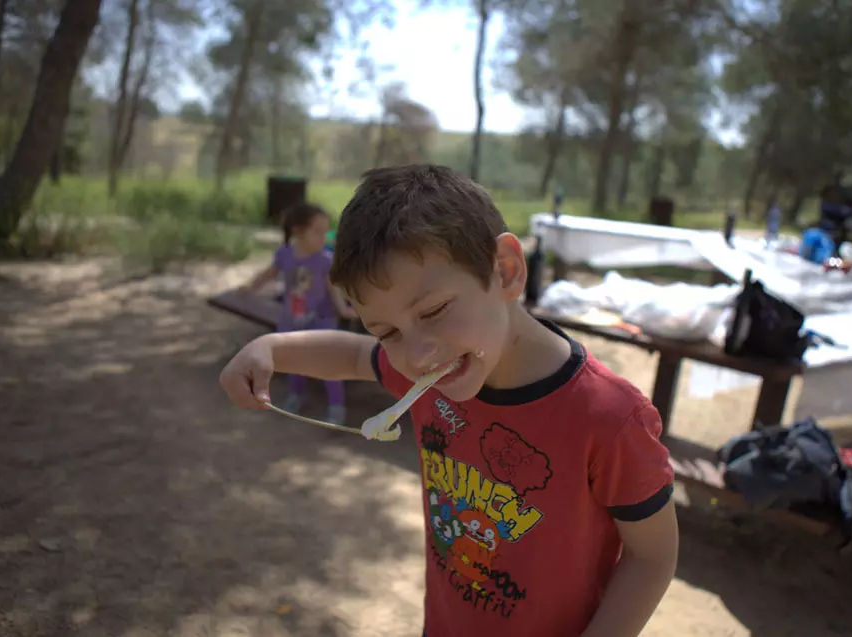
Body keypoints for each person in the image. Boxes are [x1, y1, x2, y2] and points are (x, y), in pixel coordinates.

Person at [221, 165, 678, 637]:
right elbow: (356, 354)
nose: (418, 355)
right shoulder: (432, 379)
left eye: (434, 311)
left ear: (505, 269)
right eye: (390, 332)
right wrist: (270, 349)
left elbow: (651, 556)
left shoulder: (609, 418)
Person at [240, 201, 356, 425]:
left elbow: (333, 287)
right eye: (318, 232)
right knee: (293, 362)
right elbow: (268, 273)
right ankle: (296, 395)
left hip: (322, 321)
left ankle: (336, 407)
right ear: (298, 232)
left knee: (330, 364)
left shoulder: (324, 259)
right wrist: (249, 287)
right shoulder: (285, 254)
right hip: (292, 320)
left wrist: (343, 309)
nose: (325, 238)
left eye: (327, 232)